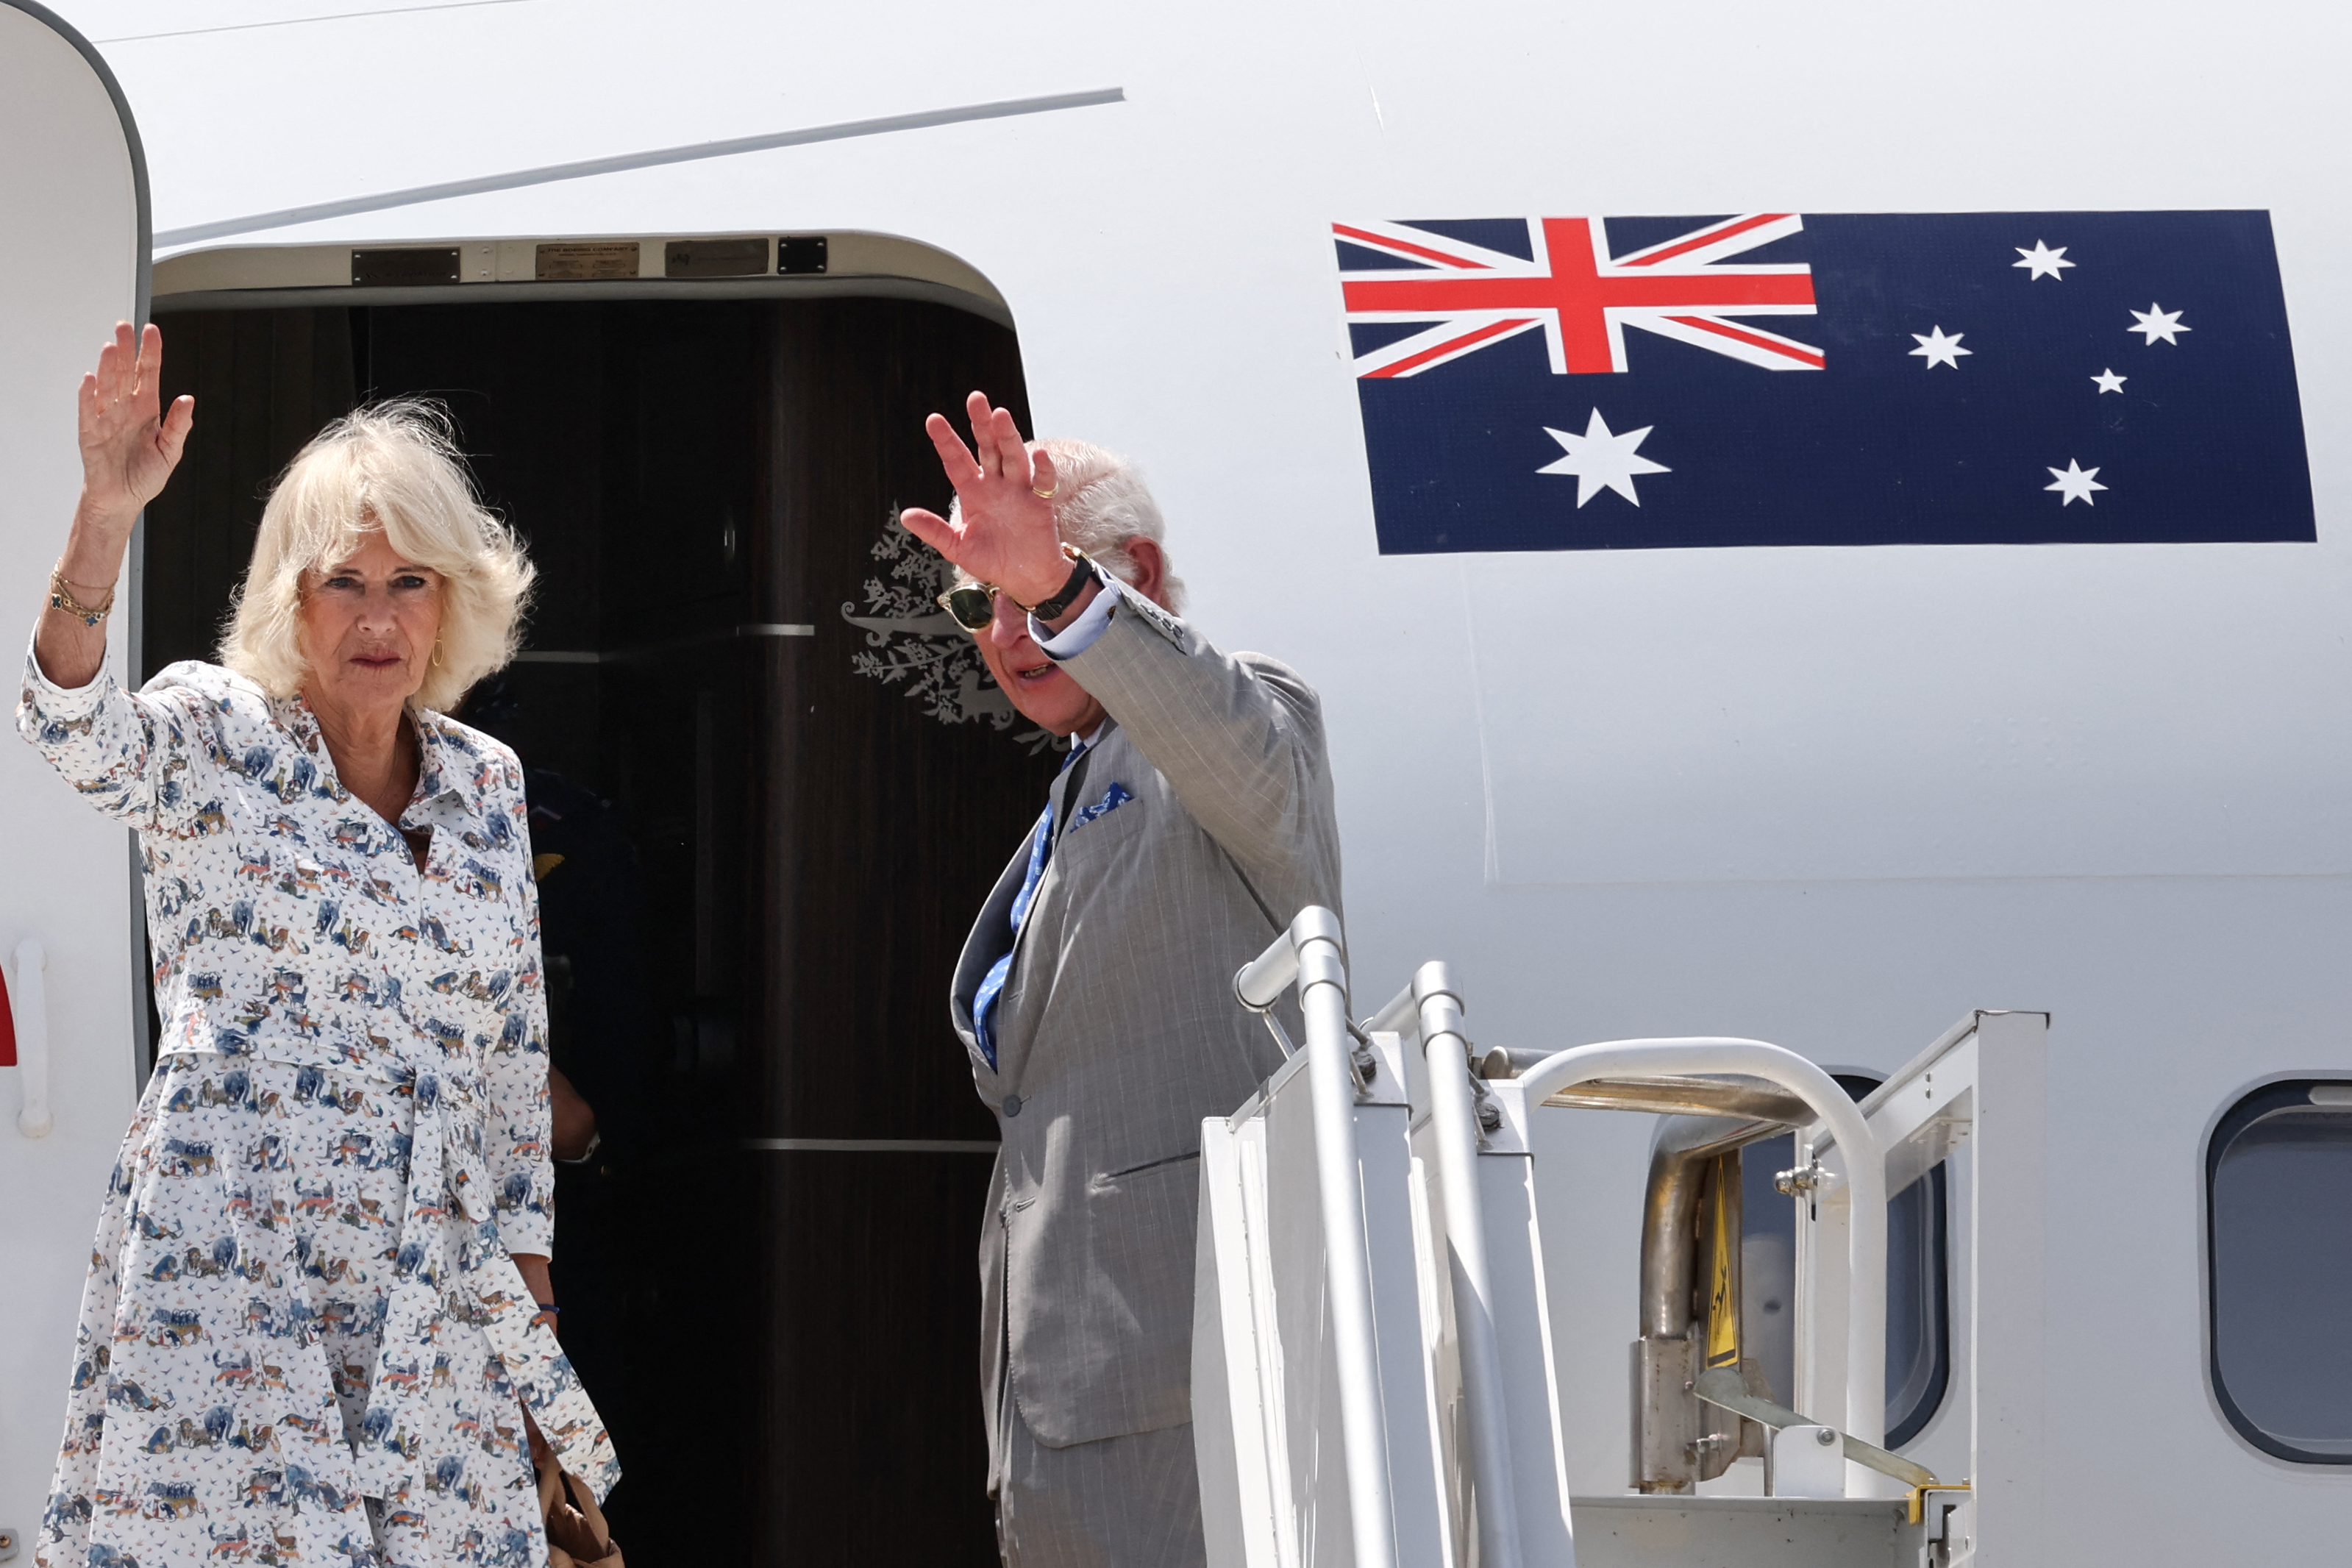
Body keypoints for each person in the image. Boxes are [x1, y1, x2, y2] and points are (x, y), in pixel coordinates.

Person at [19, 324, 616, 1568]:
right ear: (293, 597)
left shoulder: (486, 784)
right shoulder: (217, 734)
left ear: (454, 600)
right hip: (234, 1259)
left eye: (410, 584)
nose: (378, 617)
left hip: (434, 1274)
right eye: (345, 581)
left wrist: (534, 1327)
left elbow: (510, 1075)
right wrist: (104, 516)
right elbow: (74, 729)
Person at [900, 395, 1343, 1567]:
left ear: (1130, 571)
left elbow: (1225, 739)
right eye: (977, 601)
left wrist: (1064, 596)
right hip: (1067, 1395)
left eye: (1026, 593)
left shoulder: (1237, 719)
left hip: (1190, 1389)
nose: (1000, 633)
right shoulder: (1076, 784)